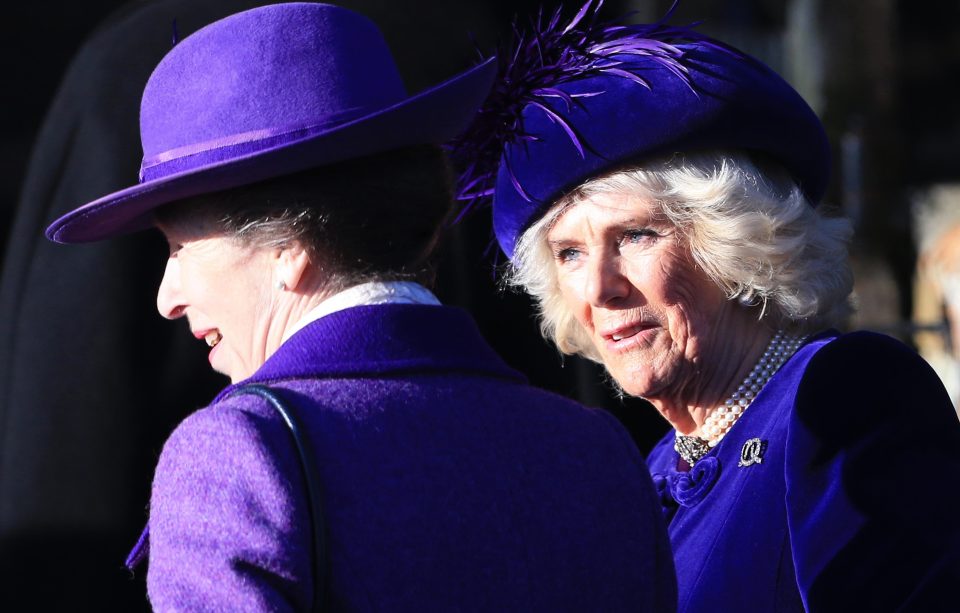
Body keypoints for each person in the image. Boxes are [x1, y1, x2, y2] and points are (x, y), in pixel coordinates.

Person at [45, 3, 677, 610]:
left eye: (180, 248)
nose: (166, 299)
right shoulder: (597, 448)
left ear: (288, 246)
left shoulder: (242, 452)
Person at [453, 2, 960, 611]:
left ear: (736, 241)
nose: (598, 287)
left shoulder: (842, 394)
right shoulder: (659, 465)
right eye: (569, 253)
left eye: (634, 236)